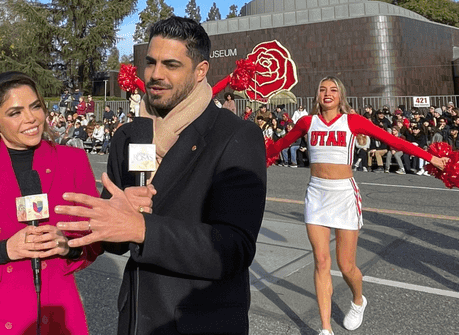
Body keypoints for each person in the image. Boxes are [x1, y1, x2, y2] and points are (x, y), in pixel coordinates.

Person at [56, 16, 267, 335]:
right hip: (137, 319)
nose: (156, 74)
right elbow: (115, 241)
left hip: (200, 321)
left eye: (171, 64)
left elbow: (233, 248)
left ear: (200, 71)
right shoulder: (129, 135)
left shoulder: (235, 136)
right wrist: (102, 222)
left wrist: (141, 227)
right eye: (151, 62)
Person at [265, 76, 449, 335]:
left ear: (341, 95)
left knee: (346, 265)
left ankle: (358, 300)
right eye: (322, 89)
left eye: (333, 90)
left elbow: (394, 141)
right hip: (316, 194)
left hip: (343, 195)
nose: (327, 93)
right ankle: (326, 329)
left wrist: (431, 158)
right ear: (317, 95)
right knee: (320, 260)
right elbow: (278, 146)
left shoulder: (352, 121)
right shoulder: (307, 122)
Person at [0, 71, 100, 334]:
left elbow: (96, 240)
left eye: (35, 106)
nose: (31, 118)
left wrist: (68, 245)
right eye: (15, 113)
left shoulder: (73, 162)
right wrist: (4, 250)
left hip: (59, 316)